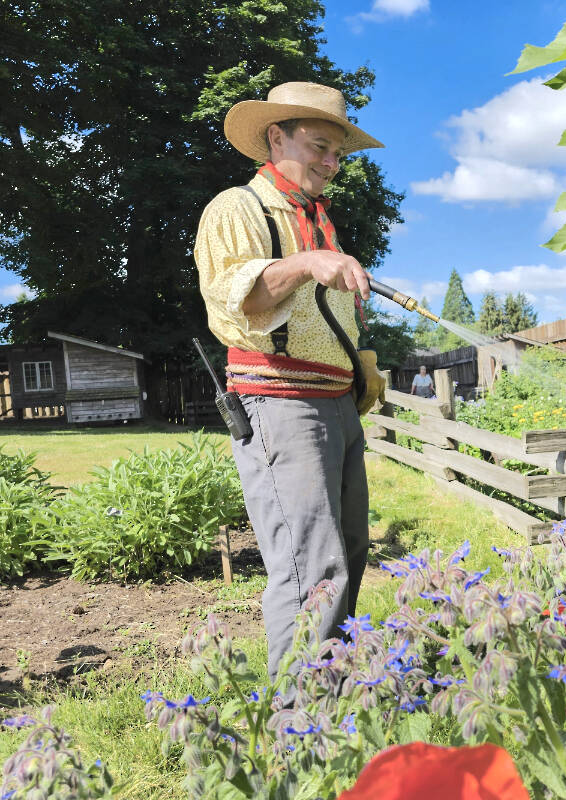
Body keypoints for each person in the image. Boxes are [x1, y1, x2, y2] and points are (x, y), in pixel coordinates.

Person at [193, 81, 388, 685]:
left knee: (351, 553)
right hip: (280, 402)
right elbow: (235, 298)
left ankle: (336, 690)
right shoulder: (237, 208)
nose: (331, 164)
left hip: (336, 403)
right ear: (275, 137)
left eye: (338, 154)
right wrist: (306, 263)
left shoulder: (316, 218)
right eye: (319, 147)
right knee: (311, 563)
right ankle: (299, 724)